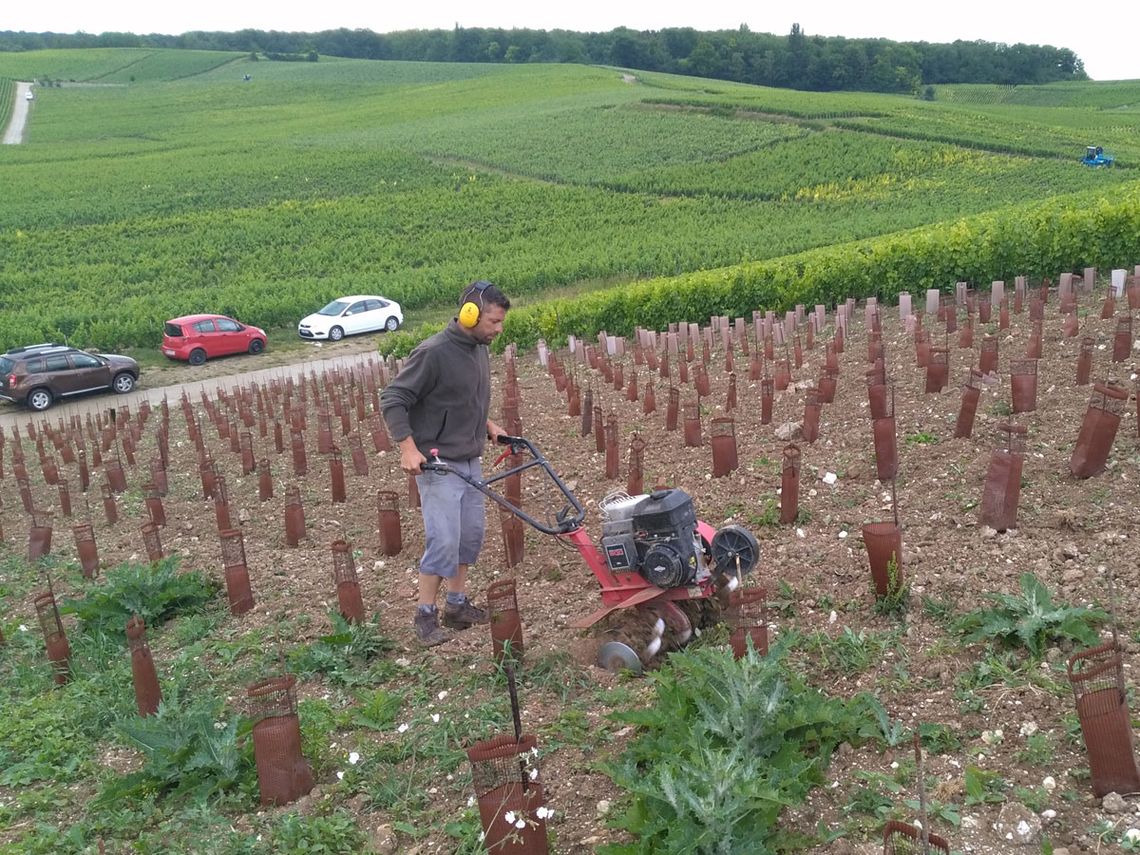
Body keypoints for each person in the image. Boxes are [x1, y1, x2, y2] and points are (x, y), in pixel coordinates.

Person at [380, 280, 510, 646]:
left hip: (470, 459)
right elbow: (393, 399)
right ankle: (424, 615)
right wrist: (407, 447)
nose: (498, 330)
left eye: (501, 323)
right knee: (444, 540)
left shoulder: (478, 348)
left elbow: (459, 398)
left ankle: (456, 605)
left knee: (470, 536)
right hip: (438, 465)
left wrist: (487, 425)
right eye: (493, 322)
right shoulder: (433, 352)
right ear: (470, 314)